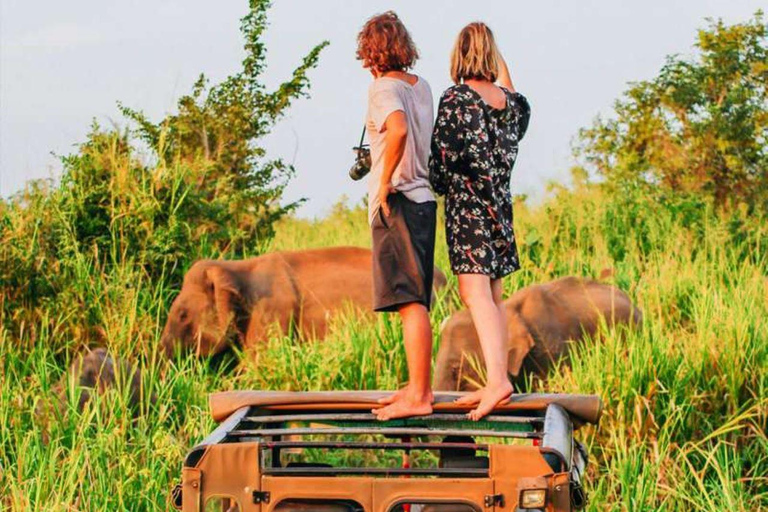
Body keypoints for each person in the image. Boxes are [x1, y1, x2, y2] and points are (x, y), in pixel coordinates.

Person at [429, 22, 531, 420]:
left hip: (469, 209)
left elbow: (440, 166)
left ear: (458, 55)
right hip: (501, 208)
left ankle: (497, 381)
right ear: (491, 55)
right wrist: (492, 52)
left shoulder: (456, 99)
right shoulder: (511, 105)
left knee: (475, 296)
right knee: (493, 297)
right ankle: (496, 378)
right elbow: (510, 85)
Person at [356, 12, 437, 420]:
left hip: (399, 200)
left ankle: (420, 394)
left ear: (370, 51)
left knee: (408, 303)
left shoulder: (383, 88)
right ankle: (416, 384)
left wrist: (384, 180)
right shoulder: (420, 87)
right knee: (416, 298)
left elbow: (398, 128)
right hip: (423, 198)